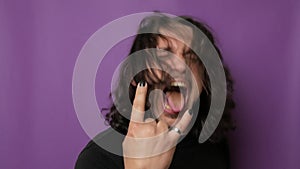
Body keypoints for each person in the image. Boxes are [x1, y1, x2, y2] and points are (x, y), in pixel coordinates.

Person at [75, 13, 235, 169]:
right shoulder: (97, 160)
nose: (180, 66)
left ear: (205, 79)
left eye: (192, 57)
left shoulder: (214, 147)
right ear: (136, 75)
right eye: (164, 54)